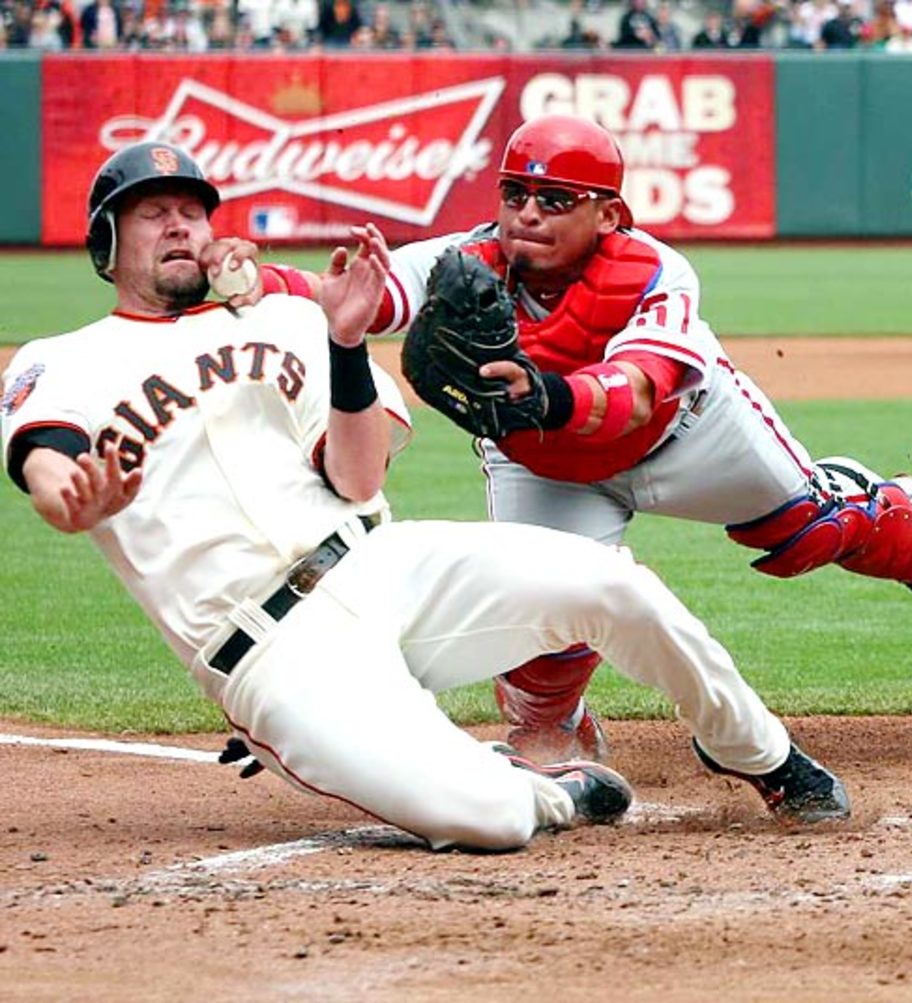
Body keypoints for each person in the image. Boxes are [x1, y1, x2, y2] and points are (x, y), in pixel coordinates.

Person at [0, 141, 853, 851]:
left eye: (192, 210)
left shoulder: (280, 320)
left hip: (380, 565)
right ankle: (543, 791)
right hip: (270, 651)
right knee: (483, 819)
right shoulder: (66, 356)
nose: (179, 224)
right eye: (153, 212)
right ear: (109, 244)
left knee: (614, 583)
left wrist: (340, 341)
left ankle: (767, 758)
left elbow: (358, 477)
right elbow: (47, 452)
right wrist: (65, 496)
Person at [259, 115, 912, 765]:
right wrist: (245, 282)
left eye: (556, 200)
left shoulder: (654, 271)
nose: (527, 214)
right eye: (515, 194)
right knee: (546, 595)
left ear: (609, 214)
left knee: (808, 530)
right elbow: (358, 295)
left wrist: (548, 393)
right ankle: (551, 731)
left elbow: (640, 386)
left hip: (690, 433)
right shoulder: (467, 262)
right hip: (549, 468)